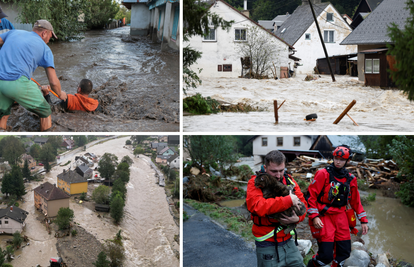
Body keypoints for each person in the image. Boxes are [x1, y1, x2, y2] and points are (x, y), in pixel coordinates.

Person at [306, 145, 368, 267]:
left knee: (344, 253)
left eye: (342, 160)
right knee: (325, 256)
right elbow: (310, 197)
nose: (338, 162)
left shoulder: (350, 179)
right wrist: (314, 216)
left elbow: (356, 202)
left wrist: (363, 220)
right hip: (325, 215)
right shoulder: (323, 174)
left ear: (347, 161)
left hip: (341, 216)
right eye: (336, 158)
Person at [0, 19, 67, 131]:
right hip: (15, 82)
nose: (49, 41)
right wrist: (60, 94)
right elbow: (53, 82)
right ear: (44, 33)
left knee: (3, 114)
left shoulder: (13, 32)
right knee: (45, 111)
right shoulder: (45, 49)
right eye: (50, 37)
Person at [246, 150, 307, 267]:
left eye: (281, 170)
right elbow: (258, 206)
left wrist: (297, 220)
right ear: (265, 167)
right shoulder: (255, 183)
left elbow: (304, 205)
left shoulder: (290, 181)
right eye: (274, 171)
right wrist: (288, 200)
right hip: (266, 242)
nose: (278, 175)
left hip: (288, 240)